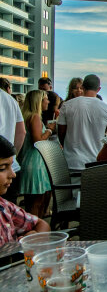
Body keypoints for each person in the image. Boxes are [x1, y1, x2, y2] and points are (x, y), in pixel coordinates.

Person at [0, 135, 51, 246]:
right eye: (3, 168)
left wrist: (35, 236)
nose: (13, 174)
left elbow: (41, 224)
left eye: (11, 166)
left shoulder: (4, 206)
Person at [57, 74, 107, 172]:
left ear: (83, 87)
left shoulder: (67, 106)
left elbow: (61, 132)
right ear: (99, 89)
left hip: (72, 161)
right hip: (96, 162)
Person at [17, 90, 55, 218]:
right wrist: (49, 130)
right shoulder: (35, 117)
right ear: (39, 101)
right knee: (37, 203)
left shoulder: (27, 116)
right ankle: (36, 233)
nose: (48, 101)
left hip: (29, 161)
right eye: (45, 99)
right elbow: (37, 141)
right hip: (36, 164)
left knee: (31, 202)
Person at [0, 89, 26, 204]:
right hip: (12, 166)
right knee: (11, 216)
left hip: (4, 169)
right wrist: (12, 157)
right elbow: (21, 132)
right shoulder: (9, 98)